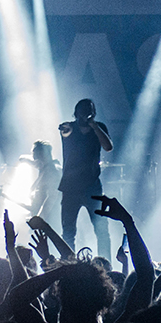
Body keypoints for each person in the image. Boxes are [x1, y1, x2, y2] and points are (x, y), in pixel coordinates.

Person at [57, 99, 113, 259]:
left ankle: (105, 264)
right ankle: (69, 265)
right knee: (68, 231)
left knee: (102, 230)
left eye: (88, 110)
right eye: (82, 111)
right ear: (76, 112)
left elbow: (108, 147)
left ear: (93, 112)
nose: (85, 114)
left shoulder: (99, 128)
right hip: (70, 187)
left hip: (92, 187)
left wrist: (94, 126)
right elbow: (64, 132)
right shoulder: (69, 127)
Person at [24, 140, 61, 225]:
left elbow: (51, 198)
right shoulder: (46, 168)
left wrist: (39, 219)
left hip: (51, 221)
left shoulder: (52, 171)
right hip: (46, 220)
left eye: (34, 154)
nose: (33, 157)